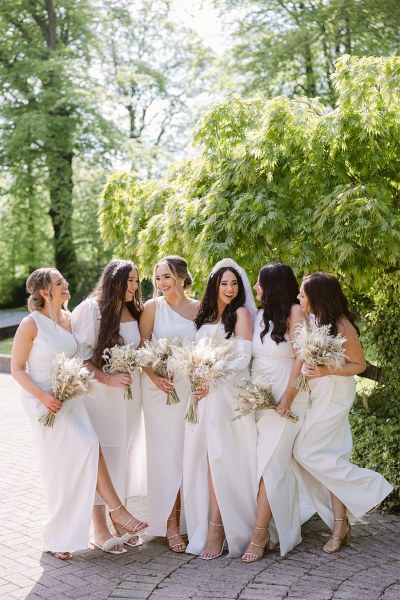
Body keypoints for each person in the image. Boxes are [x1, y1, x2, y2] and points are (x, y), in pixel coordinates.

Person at [11, 267, 149, 560]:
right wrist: (44, 396)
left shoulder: (68, 318)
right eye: (60, 282)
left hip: (70, 396)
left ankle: (64, 535)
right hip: (44, 399)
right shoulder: (30, 323)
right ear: (45, 291)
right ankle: (117, 511)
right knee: (84, 449)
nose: (67, 283)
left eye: (64, 279)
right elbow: (16, 368)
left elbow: (83, 355)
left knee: (78, 459)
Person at [293, 272, 393, 553]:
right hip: (317, 392)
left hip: (335, 393)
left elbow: (359, 364)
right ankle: (340, 526)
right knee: (330, 456)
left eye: (303, 294)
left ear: (318, 296)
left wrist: (325, 369)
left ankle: (372, 486)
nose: (299, 298)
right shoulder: (312, 321)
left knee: (305, 452)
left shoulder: (341, 324)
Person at [184, 258, 258, 559]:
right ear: (214, 284)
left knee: (219, 459)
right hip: (201, 397)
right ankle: (207, 523)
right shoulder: (203, 316)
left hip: (226, 396)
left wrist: (213, 380)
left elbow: (242, 358)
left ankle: (218, 528)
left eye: (234, 283)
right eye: (224, 283)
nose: (229, 288)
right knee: (201, 460)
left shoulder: (240, 313)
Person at [71, 259, 147, 553]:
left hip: (130, 395)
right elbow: (79, 357)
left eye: (137, 281)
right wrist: (106, 377)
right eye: (129, 281)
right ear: (113, 281)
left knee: (122, 455)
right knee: (102, 456)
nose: (134, 287)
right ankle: (100, 529)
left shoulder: (133, 309)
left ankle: (121, 521)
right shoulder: (91, 310)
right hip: (101, 395)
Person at [241, 263, 309, 562]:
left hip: (287, 396)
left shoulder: (295, 313)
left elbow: (304, 359)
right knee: (262, 463)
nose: (255, 288)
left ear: (272, 286)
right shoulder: (257, 316)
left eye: (259, 283)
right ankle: (274, 525)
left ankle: (260, 533)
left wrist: (288, 397)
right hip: (260, 398)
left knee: (271, 462)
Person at [140, 256, 199, 552]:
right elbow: (142, 348)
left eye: (166, 277)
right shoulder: (152, 308)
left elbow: (206, 348)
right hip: (160, 391)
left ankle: (192, 521)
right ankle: (169, 525)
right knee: (166, 456)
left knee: (188, 455)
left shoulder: (200, 308)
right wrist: (155, 377)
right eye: (158, 278)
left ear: (181, 277)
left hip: (189, 390)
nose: (161, 283)